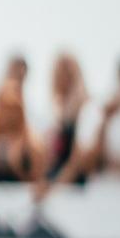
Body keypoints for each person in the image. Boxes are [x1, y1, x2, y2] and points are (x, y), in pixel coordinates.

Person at [40, 53, 97, 189]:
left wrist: (56, 186)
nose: (61, 78)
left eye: (65, 73)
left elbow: (79, 158)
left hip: (74, 188)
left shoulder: (86, 110)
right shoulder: (54, 112)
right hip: (57, 183)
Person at [0, 79, 45, 185]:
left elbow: (39, 180)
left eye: (13, 109)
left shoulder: (32, 143)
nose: (9, 115)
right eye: (5, 108)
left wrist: (17, 166)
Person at [94, 59, 120, 181]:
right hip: (107, 186)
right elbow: (96, 157)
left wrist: (109, 164)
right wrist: (106, 119)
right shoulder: (108, 112)